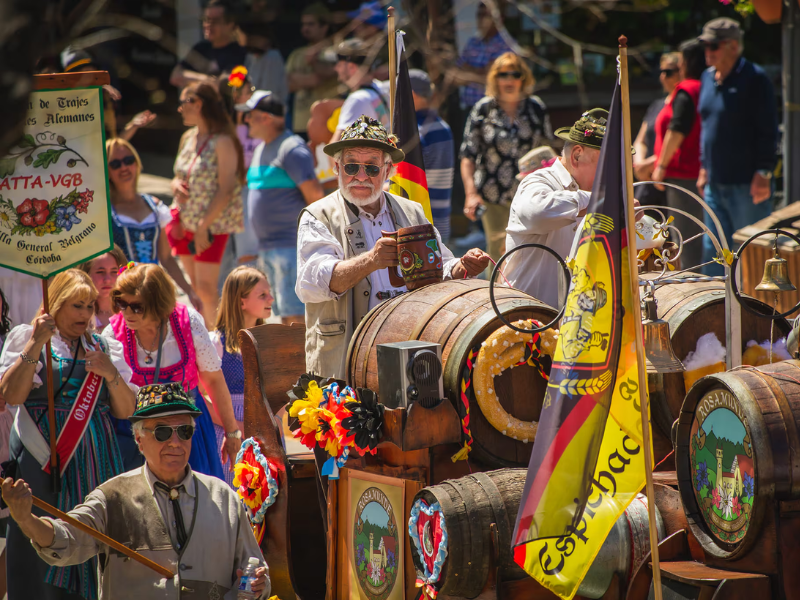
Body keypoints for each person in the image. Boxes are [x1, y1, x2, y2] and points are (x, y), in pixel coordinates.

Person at [1, 385, 270, 599]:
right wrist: (26, 519)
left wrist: (259, 583)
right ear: (139, 440)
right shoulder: (112, 496)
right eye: (163, 432)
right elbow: (65, 539)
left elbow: (255, 568)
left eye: (184, 431)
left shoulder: (223, 497)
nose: (175, 443)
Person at [296, 115, 491, 379]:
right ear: (337, 167)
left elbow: (439, 267)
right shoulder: (318, 215)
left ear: (388, 171)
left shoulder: (412, 211)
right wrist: (370, 261)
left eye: (372, 168)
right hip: (346, 356)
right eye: (351, 166)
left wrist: (462, 267)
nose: (361, 176)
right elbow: (311, 286)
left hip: (408, 344)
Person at [0, 269, 136, 600]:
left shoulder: (102, 345)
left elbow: (128, 410)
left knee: (96, 533)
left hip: (96, 460)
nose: (86, 314)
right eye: (77, 305)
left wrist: (110, 373)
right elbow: (11, 395)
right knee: (40, 536)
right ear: (55, 304)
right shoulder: (26, 337)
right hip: (43, 461)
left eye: (90, 306)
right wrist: (36, 343)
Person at [102, 263, 242, 479]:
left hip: (187, 432)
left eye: (137, 306)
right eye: (121, 303)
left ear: (158, 304)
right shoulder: (113, 334)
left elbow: (213, 380)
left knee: (196, 502)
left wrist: (232, 433)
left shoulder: (189, 322)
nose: (127, 312)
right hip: (138, 436)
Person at [696, 17, 778, 274]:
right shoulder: (707, 78)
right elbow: (707, 126)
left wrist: (764, 172)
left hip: (748, 186)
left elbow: (769, 129)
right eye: (705, 46)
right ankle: (716, 312)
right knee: (714, 257)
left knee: (752, 258)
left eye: (713, 45)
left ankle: (755, 313)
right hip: (714, 184)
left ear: (733, 45)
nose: (707, 52)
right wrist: (703, 167)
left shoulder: (755, 78)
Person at [504, 110, 606, 307]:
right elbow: (536, 213)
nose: (612, 174)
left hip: (577, 320)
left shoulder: (594, 192)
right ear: (577, 155)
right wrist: (604, 201)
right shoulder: (539, 180)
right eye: (606, 164)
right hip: (529, 321)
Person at [238, 91, 324, 324]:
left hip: (290, 247)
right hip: (267, 249)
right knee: (283, 317)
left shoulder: (292, 149)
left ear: (266, 118)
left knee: (296, 319)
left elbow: (315, 199)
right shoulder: (260, 149)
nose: (245, 120)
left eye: (250, 115)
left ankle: (300, 363)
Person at [461, 52, 553, 264]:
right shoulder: (483, 109)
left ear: (523, 77)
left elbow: (547, 150)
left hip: (531, 192)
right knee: (498, 254)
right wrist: (470, 194)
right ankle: (497, 297)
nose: (509, 79)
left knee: (531, 251)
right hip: (493, 197)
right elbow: (468, 155)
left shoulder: (535, 108)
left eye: (515, 73)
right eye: (503, 74)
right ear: (495, 78)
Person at [168, 81, 246, 326]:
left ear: (198, 104)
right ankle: (201, 337)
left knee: (205, 288)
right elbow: (178, 175)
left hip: (210, 225)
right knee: (194, 288)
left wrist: (203, 227)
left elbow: (226, 188)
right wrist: (174, 186)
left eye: (183, 103)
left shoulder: (223, 140)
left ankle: (213, 343)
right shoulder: (187, 137)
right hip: (183, 221)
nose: (179, 109)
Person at [107, 138, 203, 309]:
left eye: (129, 161)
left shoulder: (154, 205)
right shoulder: (105, 211)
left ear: (137, 163)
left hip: (153, 291)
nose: (124, 167)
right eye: (115, 163)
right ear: (106, 170)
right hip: (120, 295)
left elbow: (166, 258)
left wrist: (189, 291)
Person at [212, 266, 273, 485]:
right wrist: (236, 426)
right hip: (229, 432)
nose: (272, 299)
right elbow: (202, 398)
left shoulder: (268, 341)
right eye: (263, 295)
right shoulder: (215, 343)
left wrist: (271, 422)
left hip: (266, 432)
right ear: (241, 302)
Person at [652, 40, 707, 269]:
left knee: (686, 240)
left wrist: (661, 166)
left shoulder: (688, 89)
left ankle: (695, 292)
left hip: (684, 174)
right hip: (690, 173)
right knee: (688, 238)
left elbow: (677, 129)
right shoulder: (701, 87)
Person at [410, 69, 455, 243]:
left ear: (411, 95)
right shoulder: (443, 127)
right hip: (441, 221)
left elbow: (404, 181)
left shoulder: (415, 132)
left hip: (418, 226)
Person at [633, 52, 681, 208]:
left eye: (668, 72)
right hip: (646, 181)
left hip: (671, 180)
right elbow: (641, 140)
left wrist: (650, 164)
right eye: (661, 72)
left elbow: (679, 142)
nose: (663, 77)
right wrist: (639, 164)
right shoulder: (657, 105)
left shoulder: (685, 106)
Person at [285, 3, 339, 136]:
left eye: (311, 24)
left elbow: (323, 76)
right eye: (304, 24)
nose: (305, 28)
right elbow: (287, 84)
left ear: (324, 27)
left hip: (327, 124)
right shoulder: (296, 54)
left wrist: (314, 64)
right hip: (300, 124)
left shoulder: (335, 51)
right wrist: (311, 78)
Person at [170, 0, 247, 89]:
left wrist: (192, 78)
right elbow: (175, 76)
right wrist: (207, 79)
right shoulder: (201, 48)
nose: (208, 25)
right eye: (206, 20)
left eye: (215, 21)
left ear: (230, 24)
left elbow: (231, 85)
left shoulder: (240, 53)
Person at [452, 1, 512, 109]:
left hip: (494, 109)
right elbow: (455, 77)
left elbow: (491, 78)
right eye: (479, 14)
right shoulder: (472, 43)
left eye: (486, 15)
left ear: (499, 19)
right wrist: (480, 72)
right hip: (469, 108)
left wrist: (467, 69)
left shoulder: (506, 45)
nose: (481, 19)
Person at [329, 39, 390, 145]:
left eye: (339, 64)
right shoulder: (382, 88)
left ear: (351, 67)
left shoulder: (357, 99)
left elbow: (335, 148)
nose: (336, 68)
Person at [79, 245, 128, 330]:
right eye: (100, 272)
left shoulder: (131, 310)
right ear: (86, 273)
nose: (108, 280)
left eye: (114, 271)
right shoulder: (78, 313)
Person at [241, 21, 288, 104]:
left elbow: (268, 93)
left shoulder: (272, 56)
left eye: (255, 38)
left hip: (270, 109)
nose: (252, 42)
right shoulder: (250, 57)